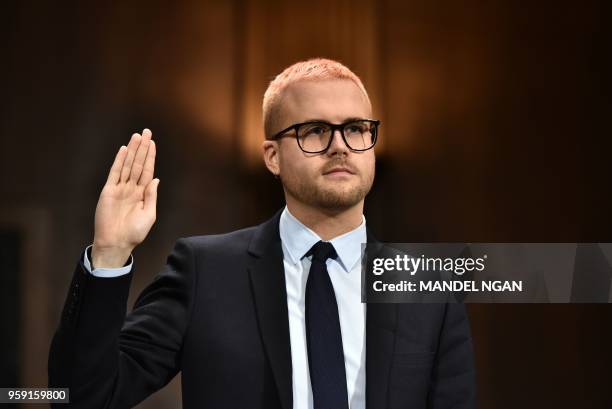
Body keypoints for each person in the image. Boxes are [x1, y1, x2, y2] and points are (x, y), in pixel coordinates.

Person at [48, 58, 475, 409]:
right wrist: (108, 255)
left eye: (357, 129)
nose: (340, 145)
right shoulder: (206, 272)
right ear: (272, 156)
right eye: (315, 131)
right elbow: (82, 397)